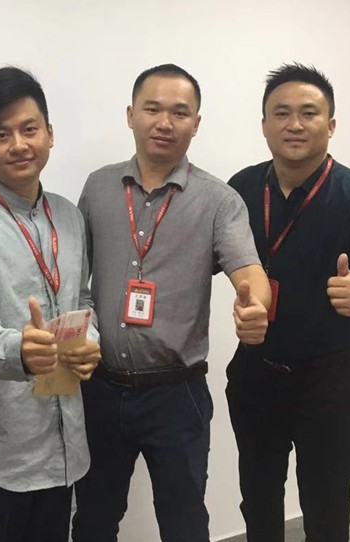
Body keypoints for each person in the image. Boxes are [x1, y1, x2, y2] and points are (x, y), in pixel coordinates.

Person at [72, 63, 271, 542]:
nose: (165, 122)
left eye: (180, 112)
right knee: (93, 519)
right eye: (152, 109)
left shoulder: (219, 201)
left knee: (184, 525)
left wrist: (255, 307)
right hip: (101, 388)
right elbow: (76, 280)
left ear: (196, 123)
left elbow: (250, 272)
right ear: (131, 115)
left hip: (176, 395)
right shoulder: (98, 188)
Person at [226, 63, 350, 542]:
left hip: (328, 381)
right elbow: (203, 257)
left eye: (309, 113)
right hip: (256, 372)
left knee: (326, 507)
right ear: (264, 125)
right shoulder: (240, 189)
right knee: (257, 499)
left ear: (331, 124)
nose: (295, 124)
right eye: (281, 113)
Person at [0, 66, 101, 542]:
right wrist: (21, 352)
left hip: (63, 445)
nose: (18, 145)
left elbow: (82, 299)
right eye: (1, 134)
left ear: (49, 133)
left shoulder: (69, 216)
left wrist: (89, 341)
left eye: (29, 129)